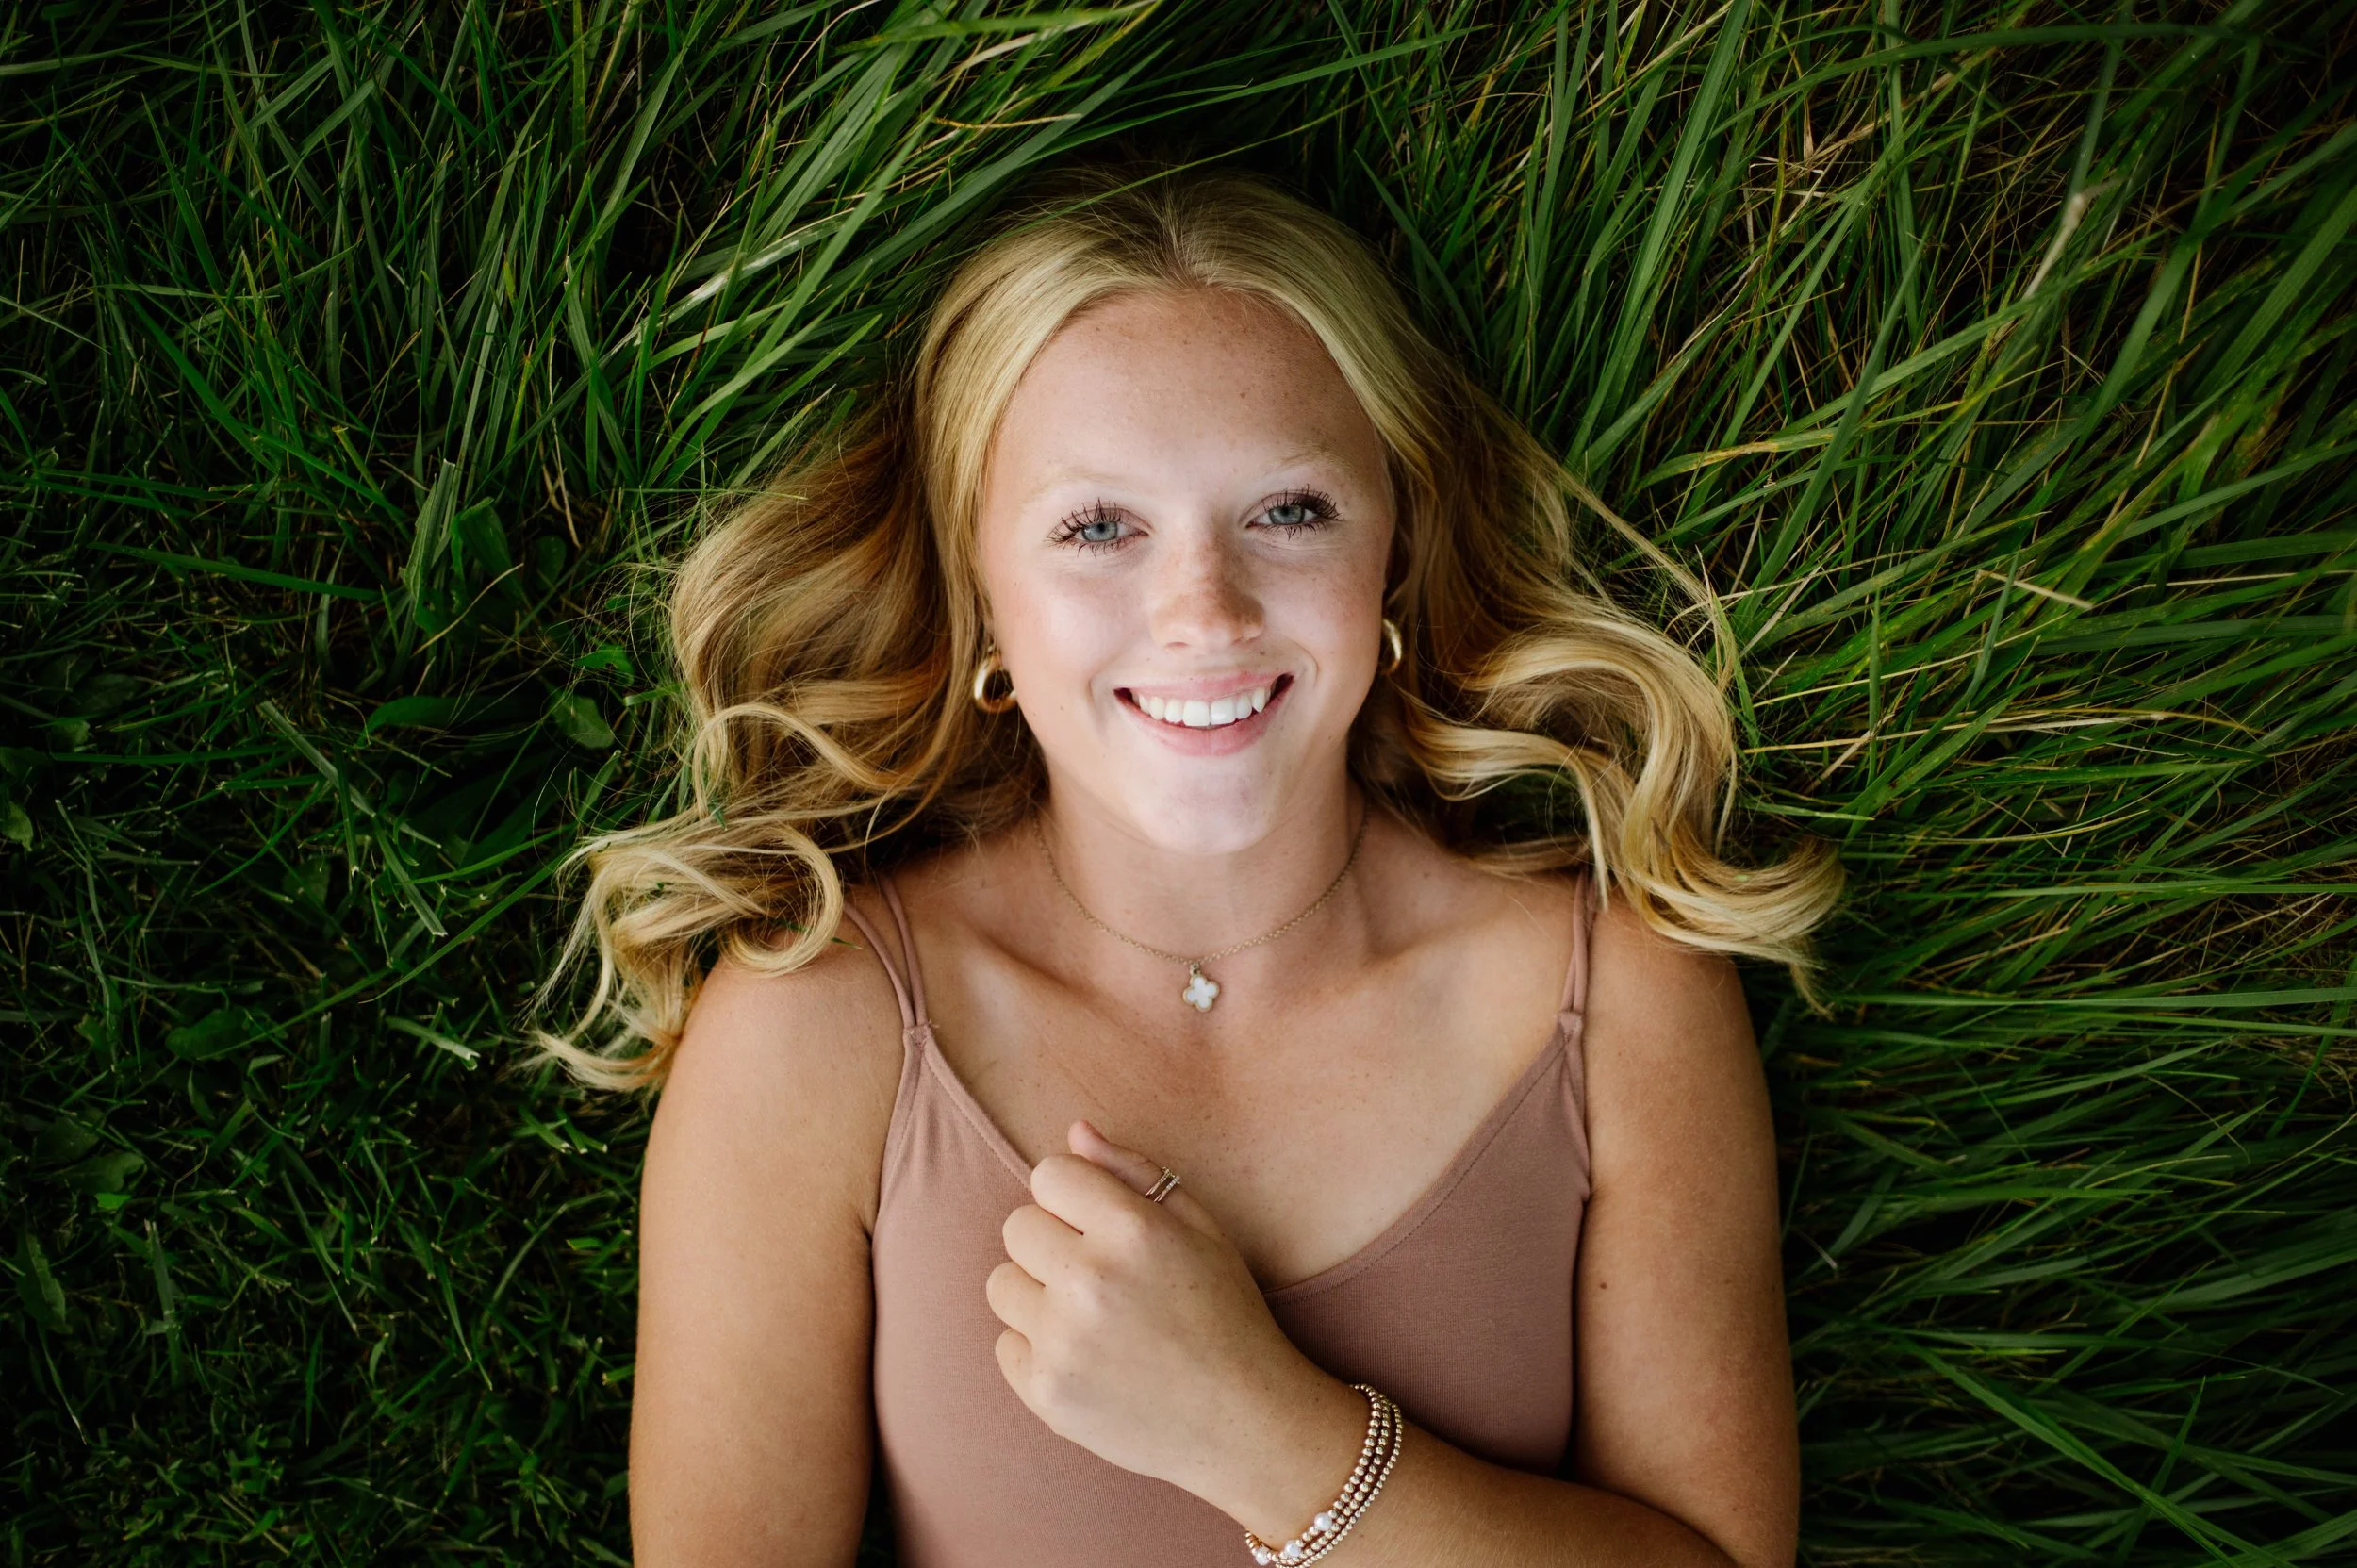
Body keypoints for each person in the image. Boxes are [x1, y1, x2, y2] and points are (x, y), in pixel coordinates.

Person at [535, 162, 1843, 1568]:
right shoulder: (819, 1029)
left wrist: (1267, 1433)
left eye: (1288, 511)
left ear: (1393, 554)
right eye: (1099, 527)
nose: (1202, 611)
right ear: (982, 595)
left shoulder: (1620, 999)